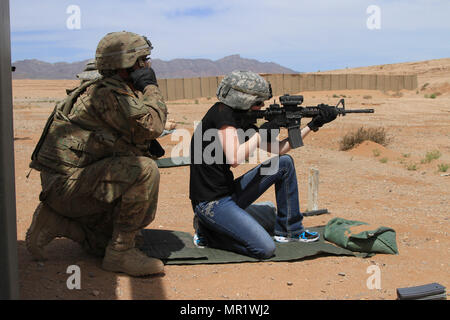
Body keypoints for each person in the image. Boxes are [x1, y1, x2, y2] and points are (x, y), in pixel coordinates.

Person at [26, 31, 168, 276]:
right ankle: (120, 254)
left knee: (105, 243)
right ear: (128, 65)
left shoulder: (107, 90)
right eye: (143, 60)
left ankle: (58, 222)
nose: (147, 65)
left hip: (67, 186)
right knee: (144, 171)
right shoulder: (108, 95)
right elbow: (154, 125)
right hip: (68, 188)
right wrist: (151, 87)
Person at [189, 70, 338, 259]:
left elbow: (281, 149)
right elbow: (234, 158)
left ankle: (290, 230)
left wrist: (314, 124)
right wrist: (261, 133)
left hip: (228, 193)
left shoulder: (240, 118)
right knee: (265, 248)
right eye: (258, 103)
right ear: (243, 99)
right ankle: (209, 234)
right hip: (211, 202)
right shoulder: (221, 115)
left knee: (284, 164)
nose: (261, 107)